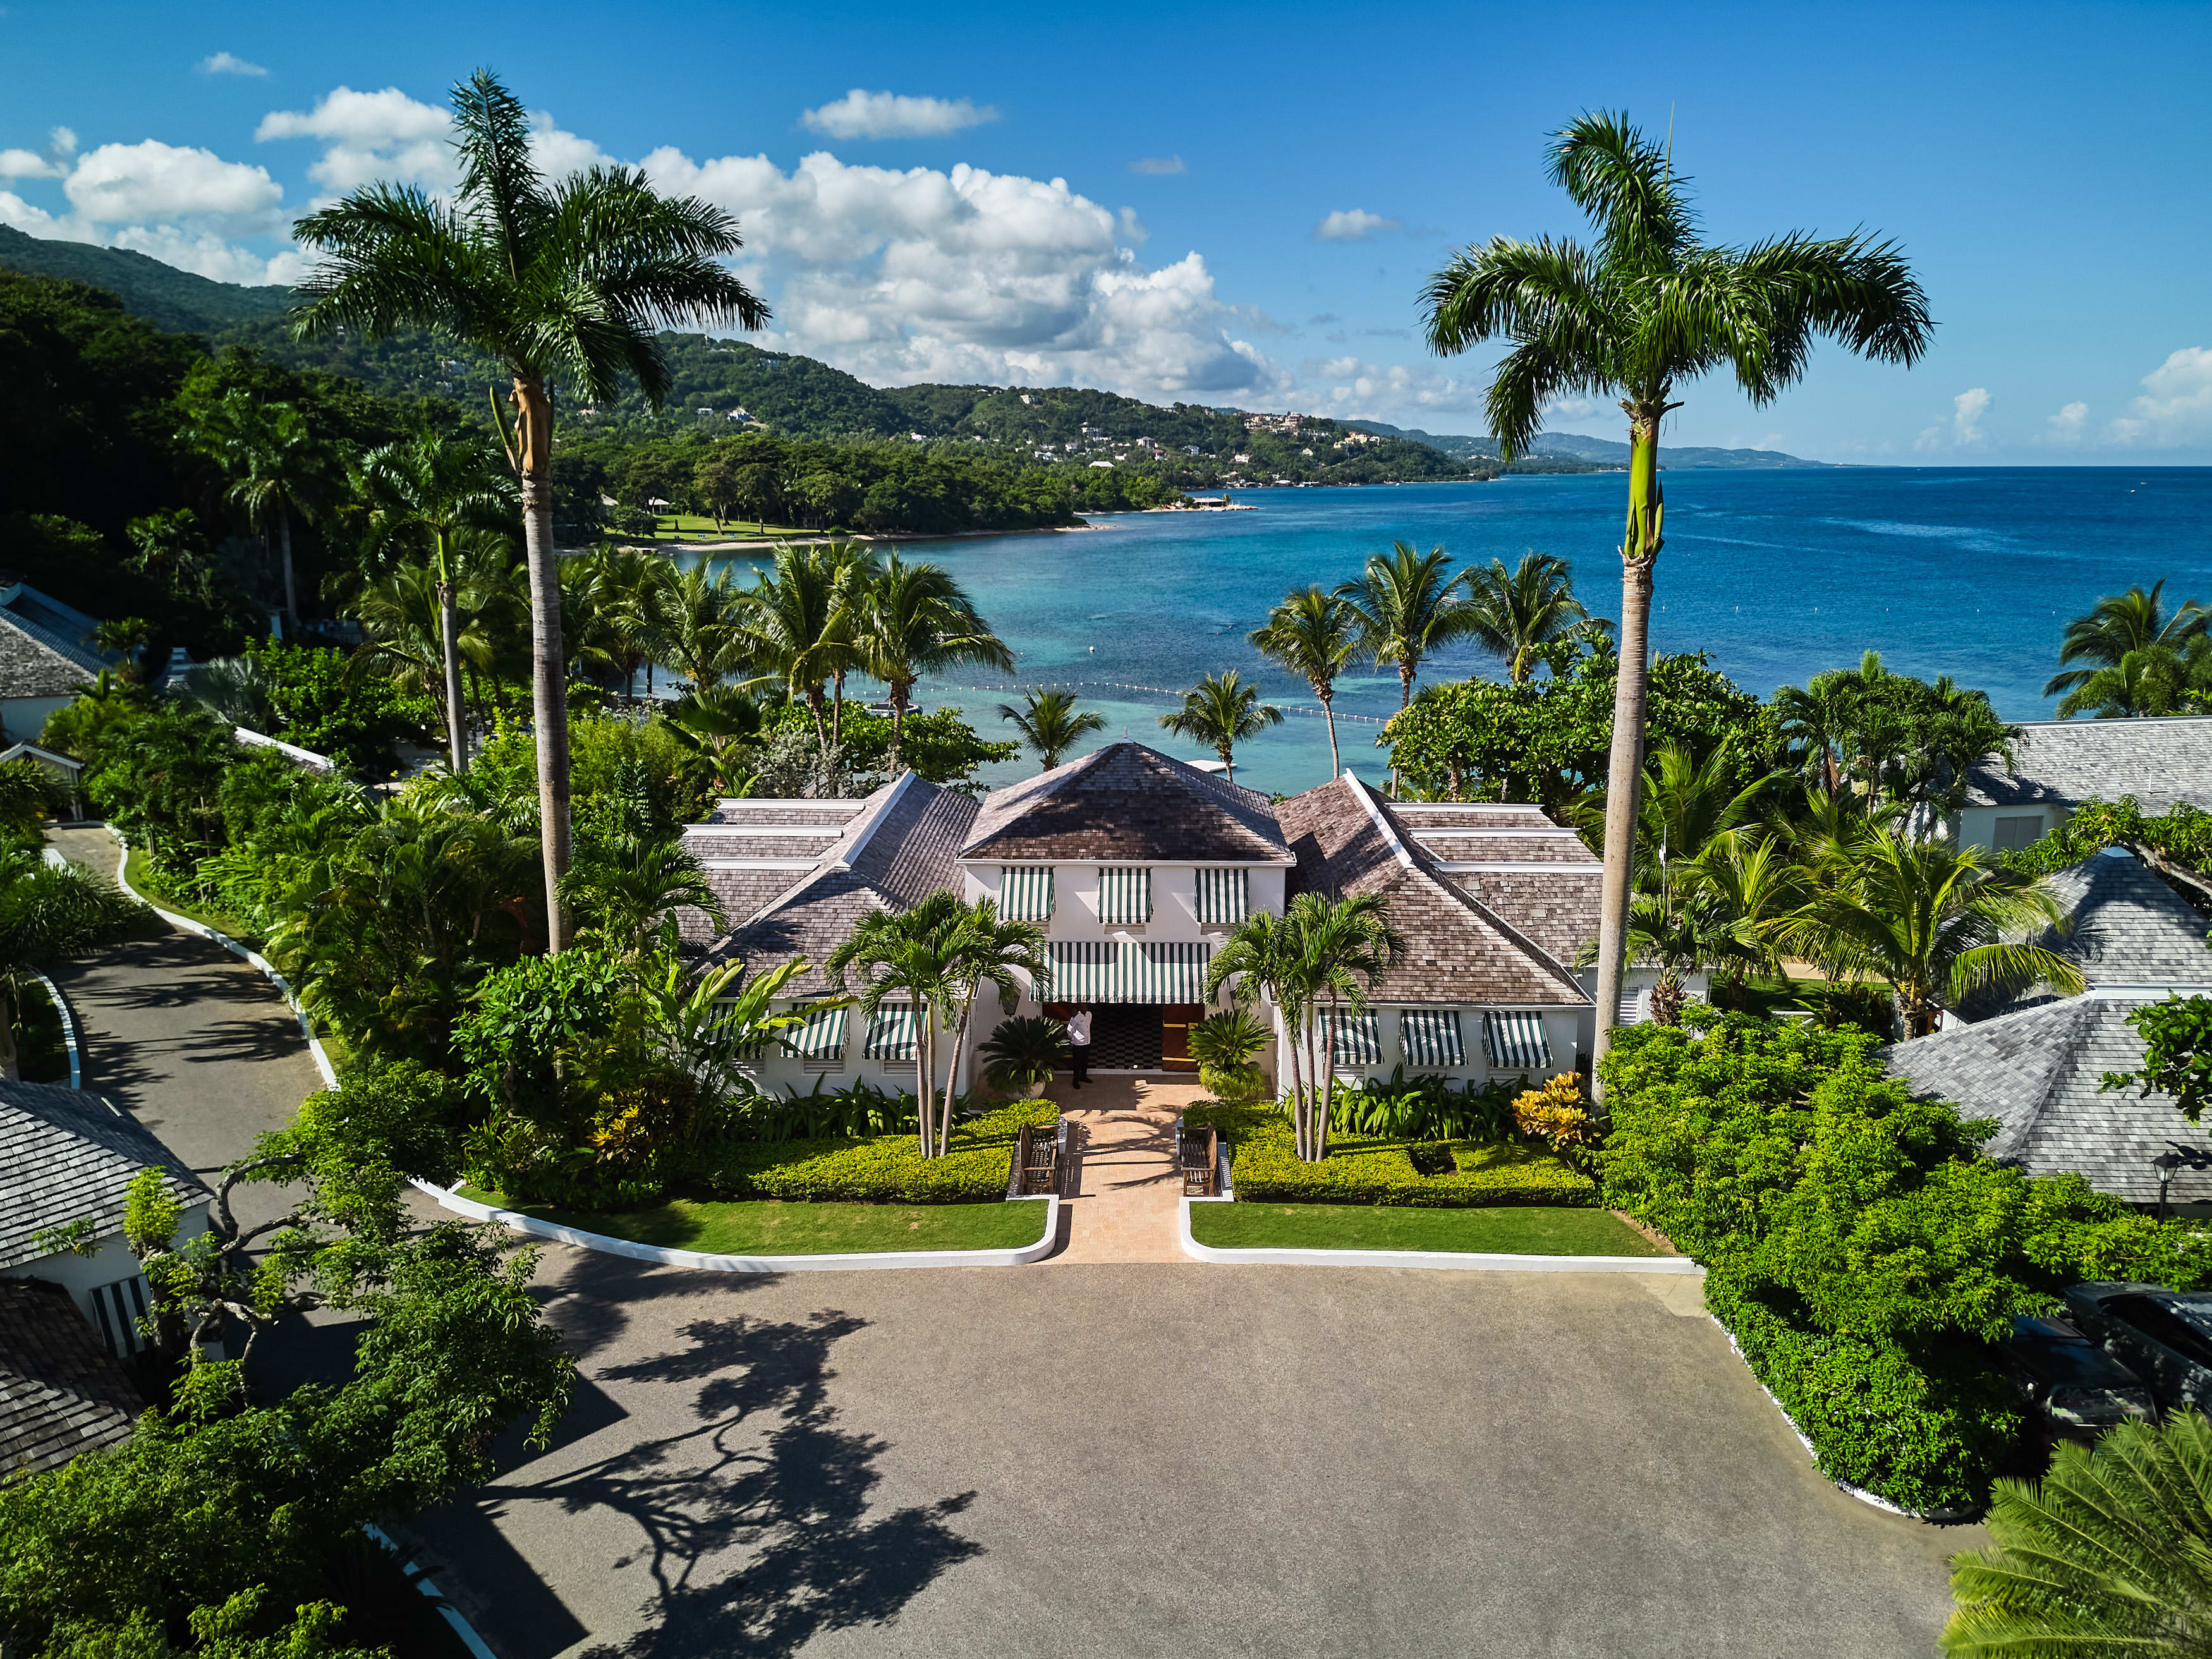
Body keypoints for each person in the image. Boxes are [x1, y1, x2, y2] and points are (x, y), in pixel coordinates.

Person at [1067, 1006, 1093, 1089]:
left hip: (1087, 1042)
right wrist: (1073, 1039)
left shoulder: (1089, 1015)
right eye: (1083, 1007)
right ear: (1080, 1008)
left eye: (1086, 1007)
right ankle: (1075, 1081)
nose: (1085, 1009)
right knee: (1077, 1064)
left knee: (1085, 1061)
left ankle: (1083, 1077)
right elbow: (1069, 1030)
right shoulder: (1075, 1018)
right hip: (1078, 1044)